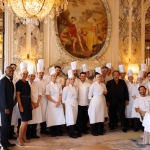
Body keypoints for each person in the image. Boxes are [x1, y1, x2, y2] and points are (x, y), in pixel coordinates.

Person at [46, 68, 65, 137]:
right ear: (51, 76)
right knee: (52, 117)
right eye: (53, 76)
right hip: (51, 103)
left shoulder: (59, 85)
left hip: (58, 102)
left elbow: (61, 93)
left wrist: (59, 101)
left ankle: (58, 131)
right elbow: (47, 96)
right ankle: (52, 132)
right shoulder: (48, 85)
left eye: (56, 76)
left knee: (59, 117)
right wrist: (55, 102)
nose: (55, 77)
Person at [88, 68, 108, 136]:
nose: (99, 78)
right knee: (94, 116)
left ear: (101, 77)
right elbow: (89, 95)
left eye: (100, 76)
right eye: (97, 77)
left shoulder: (103, 84)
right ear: (95, 78)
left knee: (101, 115)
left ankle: (100, 130)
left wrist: (102, 92)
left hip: (102, 101)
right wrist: (90, 103)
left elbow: (106, 92)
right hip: (95, 101)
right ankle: (94, 131)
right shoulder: (93, 85)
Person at [16, 66, 32, 146]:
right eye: (23, 74)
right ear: (21, 74)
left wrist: (31, 104)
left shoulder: (27, 83)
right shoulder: (18, 83)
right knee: (24, 122)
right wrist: (20, 106)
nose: (25, 75)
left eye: (26, 74)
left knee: (26, 122)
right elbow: (18, 95)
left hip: (28, 103)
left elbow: (29, 94)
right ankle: (19, 139)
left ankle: (24, 137)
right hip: (23, 103)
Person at [0, 66, 15, 150]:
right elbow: (2, 96)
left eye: (12, 71)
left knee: (8, 125)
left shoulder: (9, 81)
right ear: (6, 72)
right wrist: (6, 107)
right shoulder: (3, 81)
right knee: (4, 126)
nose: (12, 72)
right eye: (10, 71)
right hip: (5, 108)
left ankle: (6, 141)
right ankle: (3, 145)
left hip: (9, 107)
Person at [62, 70, 78, 139]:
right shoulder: (66, 88)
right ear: (68, 80)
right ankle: (70, 133)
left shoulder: (76, 88)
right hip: (69, 104)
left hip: (75, 103)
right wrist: (66, 106)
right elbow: (63, 99)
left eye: (73, 79)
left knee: (74, 118)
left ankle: (72, 131)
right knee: (70, 118)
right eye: (71, 79)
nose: (72, 80)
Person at [28, 66, 42, 138]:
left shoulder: (37, 84)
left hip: (37, 103)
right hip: (30, 103)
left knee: (36, 118)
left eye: (34, 76)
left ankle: (34, 133)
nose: (32, 77)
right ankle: (28, 134)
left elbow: (40, 94)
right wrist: (33, 103)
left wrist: (37, 103)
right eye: (31, 76)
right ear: (29, 76)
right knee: (29, 119)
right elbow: (28, 95)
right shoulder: (27, 84)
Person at [35, 62, 49, 134]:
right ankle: (34, 130)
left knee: (44, 114)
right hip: (36, 100)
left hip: (44, 100)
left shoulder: (46, 82)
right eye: (39, 73)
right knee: (36, 114)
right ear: (37, 74)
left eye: (42, 73)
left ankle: (43, 129)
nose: (41, 74)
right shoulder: (34, 81)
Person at [76, 72, 91, 137]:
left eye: (84, 76)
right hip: (79, 103)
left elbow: (90, 94)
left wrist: (89, 102)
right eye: (81, 76)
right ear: (79, 77)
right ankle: (79, 131)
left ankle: (84, 129)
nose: (83, 77)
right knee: (79, 118)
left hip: (86, 103)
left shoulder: (88, 84)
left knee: (85, 118)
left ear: (85, 77)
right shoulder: (76, 84)